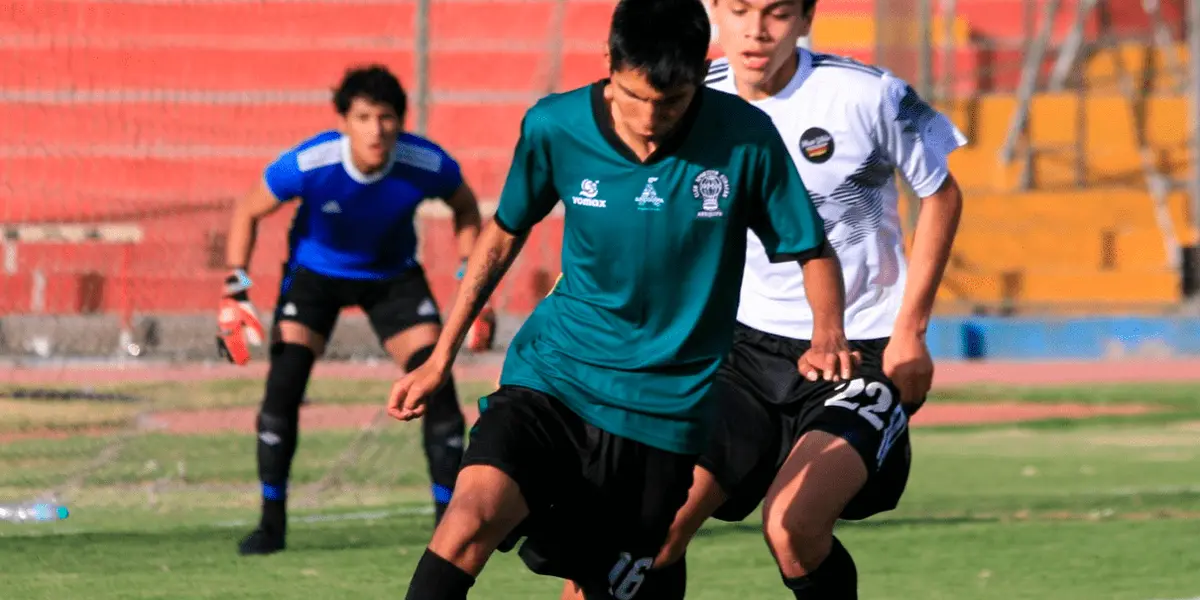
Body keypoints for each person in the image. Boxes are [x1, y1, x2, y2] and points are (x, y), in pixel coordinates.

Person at [385, 0, 857, 597]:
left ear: (699, 72)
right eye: (634, 97)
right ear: (608, 62)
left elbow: (811, 249)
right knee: (467, 522)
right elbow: (502, 233)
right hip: (553, 375)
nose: (651, 117)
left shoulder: (744, 139)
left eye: (673, 101)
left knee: (610, 580)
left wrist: (828, 332)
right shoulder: (554, 126)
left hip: (662, 411)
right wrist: (440, 357)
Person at [559, 0, 969, 597]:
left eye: (776, 13)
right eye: (740, 9)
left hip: (860, 353)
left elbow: (942, 194)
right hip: (739, 351)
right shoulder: (684, 102)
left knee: (792, 526)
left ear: (805, 20)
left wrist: (912, 330)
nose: (755, 30)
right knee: (656, 525)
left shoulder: (868, 95)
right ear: (713, 14)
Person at [217, 64, 484, 556]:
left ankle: (449, 525)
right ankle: (270, 524)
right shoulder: (311, 161)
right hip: (315, 275)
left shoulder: (424, 162)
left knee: (438, 390)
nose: (376, 129)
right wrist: (236, 291)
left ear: (401, 122)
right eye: (363, 117)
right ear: (344, 120)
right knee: (284, 384)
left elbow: (467, 208)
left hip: (392, 277)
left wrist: (470, 274)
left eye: (386, 117)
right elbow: (247, 210)